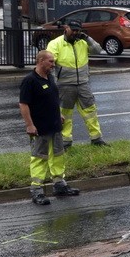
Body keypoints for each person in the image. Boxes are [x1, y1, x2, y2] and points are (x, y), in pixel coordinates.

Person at [19, 50, 80, 205]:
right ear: (40, 61)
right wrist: (30, 125)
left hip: (55, 125)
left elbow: (52, 99)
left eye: (53, 61)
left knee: (58, 155)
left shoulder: (50, 77)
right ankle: (37, 191)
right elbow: (23, 104)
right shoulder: (30, 81)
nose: (53, 64)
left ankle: (60, 185)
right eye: (50, 61)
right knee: (39, 158)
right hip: (40, 127)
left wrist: (58, 114)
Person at [47, 20, 107, 148]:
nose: (75, 33)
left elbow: (98, 50)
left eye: (77, 30)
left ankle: (96, 139)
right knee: (65, 115)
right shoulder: (56, 44)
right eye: (72, 30)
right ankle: (65, 141)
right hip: (65, 86)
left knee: (91, 112)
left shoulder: (83, 42)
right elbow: (49, 63)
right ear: (66, 28)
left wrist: (87, 38)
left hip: (83, 84)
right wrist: (52, 84)